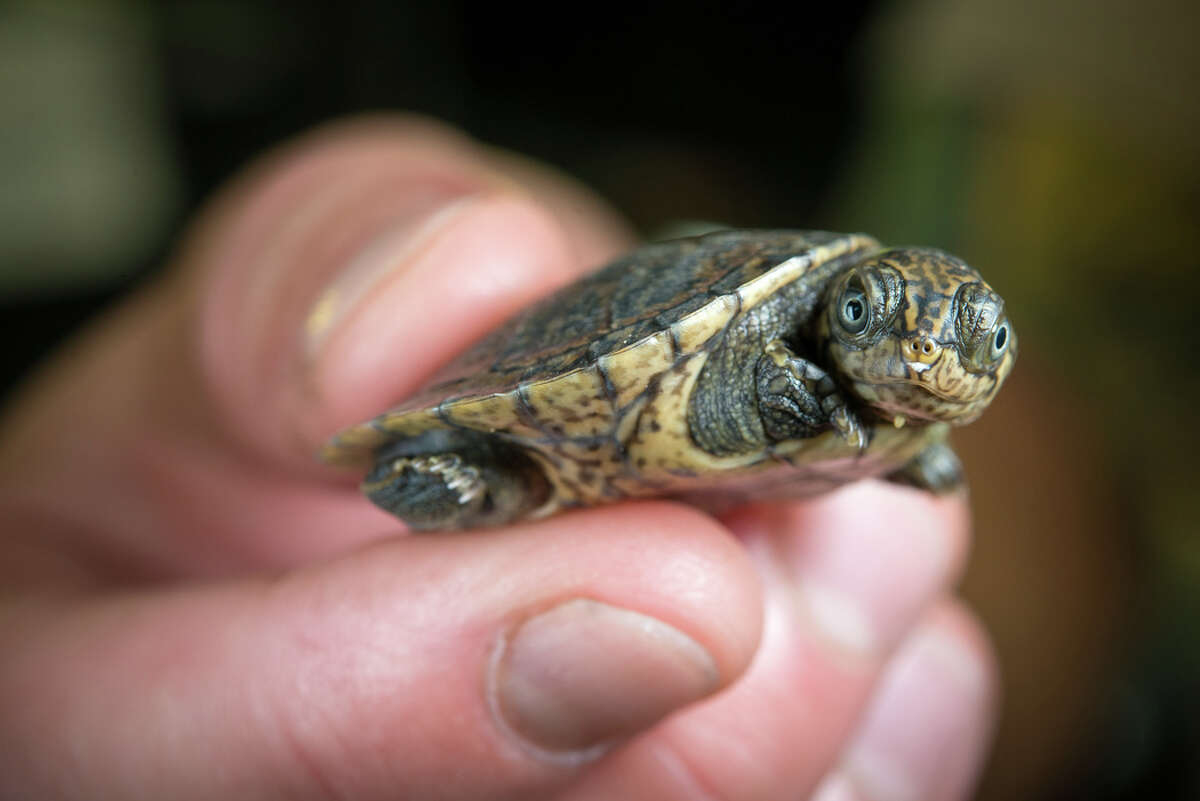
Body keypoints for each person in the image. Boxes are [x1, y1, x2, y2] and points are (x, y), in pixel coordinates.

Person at [0, 116, 995, 801]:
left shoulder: (908, 428)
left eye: (956, 337)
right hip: (600, 411)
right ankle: (483, 474)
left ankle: (491, 485)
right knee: (504, 485)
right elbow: (716, 399)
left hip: (661, 508)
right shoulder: (783, 342)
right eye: (860, 310)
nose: (890, 345)